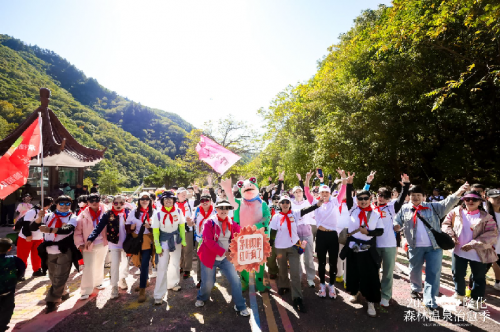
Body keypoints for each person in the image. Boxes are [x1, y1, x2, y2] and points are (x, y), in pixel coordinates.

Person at [394, 182, 469, 309]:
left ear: (424, 196)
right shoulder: (404, 208)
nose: (416, 197)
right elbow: (397, 221)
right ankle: (416, 287)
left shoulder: (433, 207)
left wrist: (460, 191)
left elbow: (448, 202)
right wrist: (396, 226)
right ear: (409, 196)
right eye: (413, 195)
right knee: (414, 270)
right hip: (414, 246)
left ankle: (430, 300)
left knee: (433, 273)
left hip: (434, 247)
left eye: (418, 195)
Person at [442, 190, 498, 311]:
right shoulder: (456, 212)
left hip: (478, 253)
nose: (470, 201)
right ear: (464, 200)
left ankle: (476, 300)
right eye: (467, 199)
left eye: (474, 199)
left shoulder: (487, 217)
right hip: (458, 251)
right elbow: (446, 224)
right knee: (457, 274)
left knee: (478, 277)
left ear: (480, 202)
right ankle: (460, 295)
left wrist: (473, 244)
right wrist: (451, 235)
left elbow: (492, 234)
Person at [340, 172, 385, 317]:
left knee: (370, 276)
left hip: (367, 249)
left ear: (370, 198)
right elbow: (348, 198)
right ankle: (355, 292)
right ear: (357, 200)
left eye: (366, 198)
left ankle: (371, 302)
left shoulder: (376, 214)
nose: (363, 201)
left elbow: (380, 231)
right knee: (353, 272)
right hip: (353, 248)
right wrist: (349, 183)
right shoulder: (353, 209)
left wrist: (368, 233)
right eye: (360, 198)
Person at [195, 200, 250, 316]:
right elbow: (208, 241)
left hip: (225, 259)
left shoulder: (232, 223)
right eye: (221, 208)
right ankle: (202, 297)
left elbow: (241, 235)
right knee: (208, 283)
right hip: (209, 257)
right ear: (217, 209)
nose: (224, 210)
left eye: (226, 208)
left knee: (235, 280)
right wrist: (225, 253)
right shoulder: (209, 222)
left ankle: (240, 305)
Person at [271, 194, 323, 312]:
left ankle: (297, 297)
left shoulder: (294, 213)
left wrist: (317, 204)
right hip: (280, 247)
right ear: (279, 204)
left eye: (287, 202)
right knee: (283, 269)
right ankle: (284, 286)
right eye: (283, 202)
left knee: (295, 272)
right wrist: (271, 243)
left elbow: (306, 210)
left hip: (293, 247)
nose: (285, 204)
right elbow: (273, 232)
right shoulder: (276, 217)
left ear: (290, 204)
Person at [31, 195, 82, 313]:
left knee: (60, 277)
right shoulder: (48, 216)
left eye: (67, 204)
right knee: (53, 276)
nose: (65, 206)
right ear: (56, 204)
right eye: (62, 204)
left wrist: (50, 230)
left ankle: (51, 300)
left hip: (64, 251)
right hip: (49, 251)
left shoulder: (73, 217)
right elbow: (33, 227)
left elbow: (68, 229)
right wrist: (39, 218)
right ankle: (64, 292)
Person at [304, 169, 346, 299]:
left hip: (333, 236)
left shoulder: (335, 201)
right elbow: (306, 191)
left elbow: (344, 188)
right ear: (319, 193)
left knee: (333, 263)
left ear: (329, 193)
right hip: (321, 236)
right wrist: (307, 178)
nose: (324, 194)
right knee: (321, 263)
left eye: (326, 192)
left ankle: (331, 285)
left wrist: (343, 176)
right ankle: (322, 285)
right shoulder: (315, 203)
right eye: (322, 192)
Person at [373, 175, 410, 308]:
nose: (380, 197)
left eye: (383, 195)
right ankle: (374, 293)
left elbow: (400, 199)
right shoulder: (371, 208)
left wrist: (405, 186)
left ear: (388, 198)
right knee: (374, 271)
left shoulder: (391, 208)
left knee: (388, 273)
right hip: (374, 245)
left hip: (389, 245)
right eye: (379, 195)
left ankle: (385, 296)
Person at [86, 195, 130, 299]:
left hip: (127, 244)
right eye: (116, 203)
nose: (118, 205)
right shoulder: (108, 214)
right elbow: (99, 227)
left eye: (121, 203)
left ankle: (122, 278)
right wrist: (91, 238)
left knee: (125, 264)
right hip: (114, 243)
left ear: (125, 203)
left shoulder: (128, 212)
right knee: (114, 264)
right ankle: (114, 286)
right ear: (112, 203)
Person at [152, 191, 186, 305]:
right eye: (166, 199)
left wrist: (183, 239)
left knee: (175, 263)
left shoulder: (178, 211)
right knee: (162, 266)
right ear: (162, 201)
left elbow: (181, 225)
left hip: (175, 240)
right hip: (163, 242)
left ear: (174, 201)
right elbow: (155, 231)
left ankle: (173, 284)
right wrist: (157, 246)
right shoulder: (157, 214)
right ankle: (158, 294)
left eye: (170, 199)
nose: (168, 201)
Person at [74, 193, 108, 300]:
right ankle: (86, 290)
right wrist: (80, 244)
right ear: (87, 202)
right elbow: (78, 231)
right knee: (88, 267)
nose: (94, 203)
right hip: (88, 245)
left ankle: (98, 282)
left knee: (99, 263)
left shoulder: (106, 211)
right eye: (91, 201)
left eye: (96, 200)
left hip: (102, 243)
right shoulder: (82, 214)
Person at [125, 192, 155, 303]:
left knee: (145, 263)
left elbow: (158, 227)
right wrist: (131, 227)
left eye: (147, 199)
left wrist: (150, 227)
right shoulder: (133, 212)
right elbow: (127, 226)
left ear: (150, 201)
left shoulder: (154, 213)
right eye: (142, 199)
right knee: (138, 262)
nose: (145, 201)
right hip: (136, 240)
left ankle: (142, 289)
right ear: (139, 200)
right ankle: (145, 280)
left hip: (147, 240)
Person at [16, 197, 54, 277]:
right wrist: (28, 235)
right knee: (23, 255)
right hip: (26, 237)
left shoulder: (48, 212)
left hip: (39, 237)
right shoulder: (32, 211)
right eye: (48, 204)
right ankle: (20, 272)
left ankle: (37, 270)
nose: (49, 206)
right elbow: (26, 224)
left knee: (37, 255)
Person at [291, 173, 316, 288]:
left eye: (300, 191)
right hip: (296, 235)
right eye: (296, 192)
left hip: (307, 233)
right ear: (293, 193)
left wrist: (306, 179)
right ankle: (299, 278)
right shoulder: (290, 204)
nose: (298, 193)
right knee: (297, 258)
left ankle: (310, 278)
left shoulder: (308, 203)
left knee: (309, 258)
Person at [0, 238, 26, 332]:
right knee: (8, 307)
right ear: (10, 248)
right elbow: (22, 268)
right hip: (8, 288)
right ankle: (2, 325)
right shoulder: (14, 259)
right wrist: (17, 277)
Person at [193, 193, 216, 287]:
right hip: (199, 240)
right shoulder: (197, 210)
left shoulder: (215, 211)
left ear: (210, 201)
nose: (205, 202)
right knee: (200, 260)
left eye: (207, 200)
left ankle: (212, 280)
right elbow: (192, 221)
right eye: (202, 200)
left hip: (211, 240)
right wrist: (191, 222)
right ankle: (200, 279)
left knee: (212, 260)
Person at [177, 187, 195, 279]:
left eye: (185, 194)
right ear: (178, 195)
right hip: (177, 229)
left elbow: (193, 213)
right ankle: (181, 266)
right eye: (182, 194)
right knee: (179, 249)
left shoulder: (190, 202)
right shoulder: (174, 204)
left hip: (188, 228)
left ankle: (187, 269)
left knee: (188, 249)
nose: (184, 195)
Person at [485, 189, 500, 291]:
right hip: (488, 249)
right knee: (479, 273)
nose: (499, 199)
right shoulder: (484, 214)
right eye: (495, 198)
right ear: (487, 198)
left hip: (499, 248)